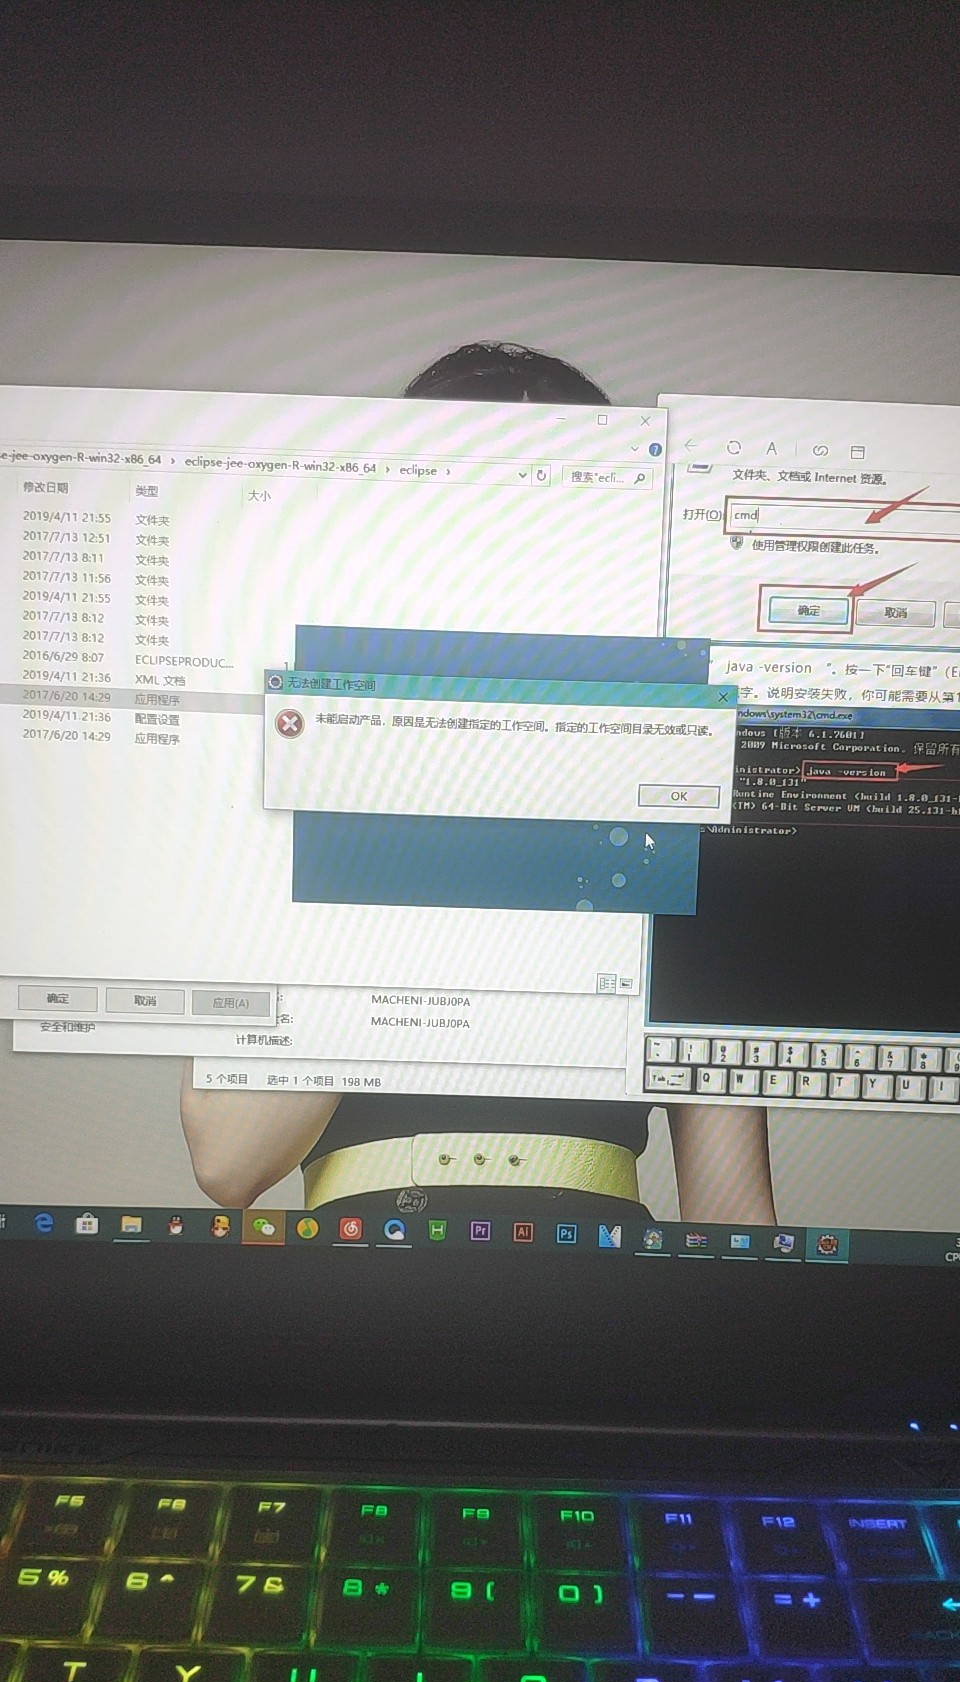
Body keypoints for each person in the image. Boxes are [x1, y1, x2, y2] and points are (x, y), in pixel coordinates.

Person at [181, 343, 776, 1226]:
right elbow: (231, 1162)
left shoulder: (673, 812)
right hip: (352, 1280)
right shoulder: (294, 793)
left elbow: (732, 1219)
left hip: (606, 1288)